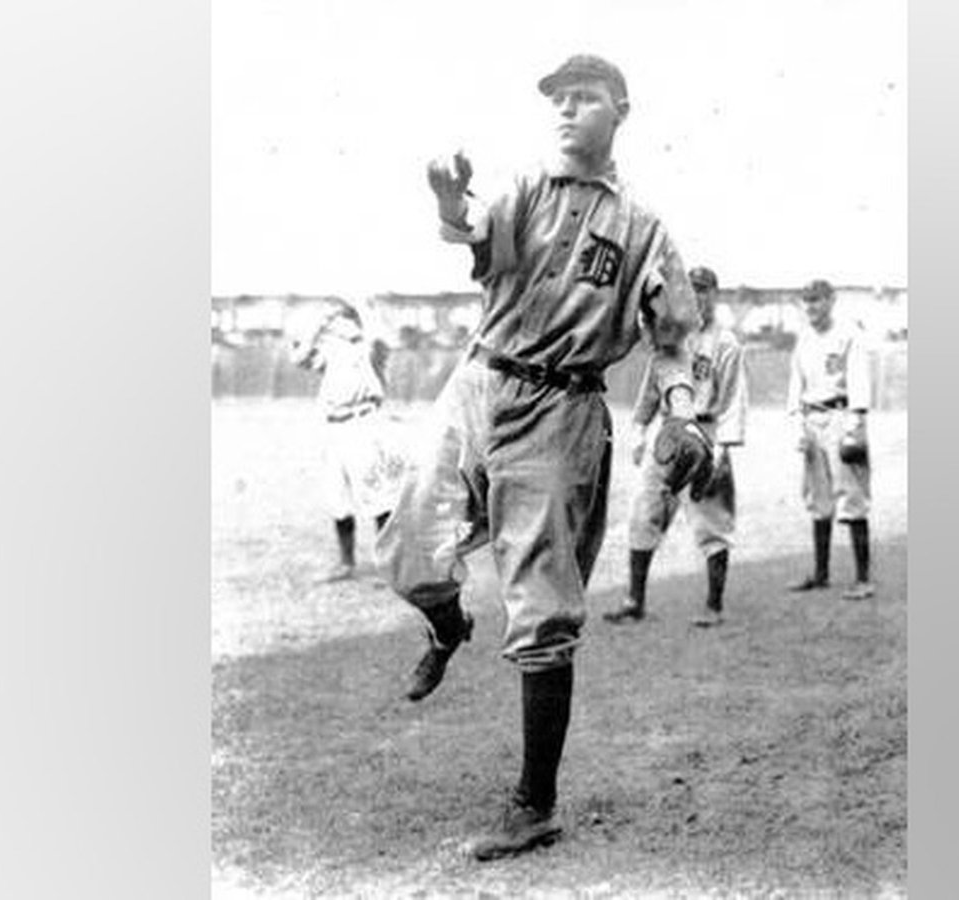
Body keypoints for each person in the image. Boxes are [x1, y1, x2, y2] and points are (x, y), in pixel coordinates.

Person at [377, 53, 711, 861]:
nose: (566, 109)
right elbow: (471, 227)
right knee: (410, 542)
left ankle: (535, 802)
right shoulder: (525, 187)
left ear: (620, 111)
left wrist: (683, 414)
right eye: (557, 97)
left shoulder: (645, 228)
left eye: (584, 97)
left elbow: (675, 341)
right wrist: (446, 195)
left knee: (541, 603)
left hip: (561, 407)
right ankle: (447, 623)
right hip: (481, 378)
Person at [604, 265, 748, 628]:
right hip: (667, 434)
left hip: (706, 431)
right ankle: (634, 600)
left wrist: (724, 450)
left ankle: (714, 606)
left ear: (715, 293)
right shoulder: (673, 335)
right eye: (691, 288)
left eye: (704, 289)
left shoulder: (727, 342)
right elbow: (652, 388)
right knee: (644, 512)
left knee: (711, 521)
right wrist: (638, 429)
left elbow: (733, 399)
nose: (697, 295)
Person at [288, 299, 401, 583]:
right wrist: (319, 326)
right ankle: (346, 563)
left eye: (341, 319)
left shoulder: (369, 347)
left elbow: (386, 338)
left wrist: (359, 308)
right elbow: (299, 359)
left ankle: (391, 565)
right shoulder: (331, 349)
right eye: (335, 321)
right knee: (336, 496)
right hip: (334, 428)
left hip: (362, 423)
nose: (336, 323)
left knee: (377, 496)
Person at [786, 279, 875, 599]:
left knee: (852, 496)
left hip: (840, 415)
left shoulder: (849, 333)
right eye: (806, 301)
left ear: (831, 301)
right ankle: (821, 573)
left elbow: (859, 380)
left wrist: (855, 425)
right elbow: (796, 383)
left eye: (817, 300)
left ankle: (863, 578)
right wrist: (797, 422)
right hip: (811, 418)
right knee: (818, 498)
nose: (811, 307)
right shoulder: (805, 337)